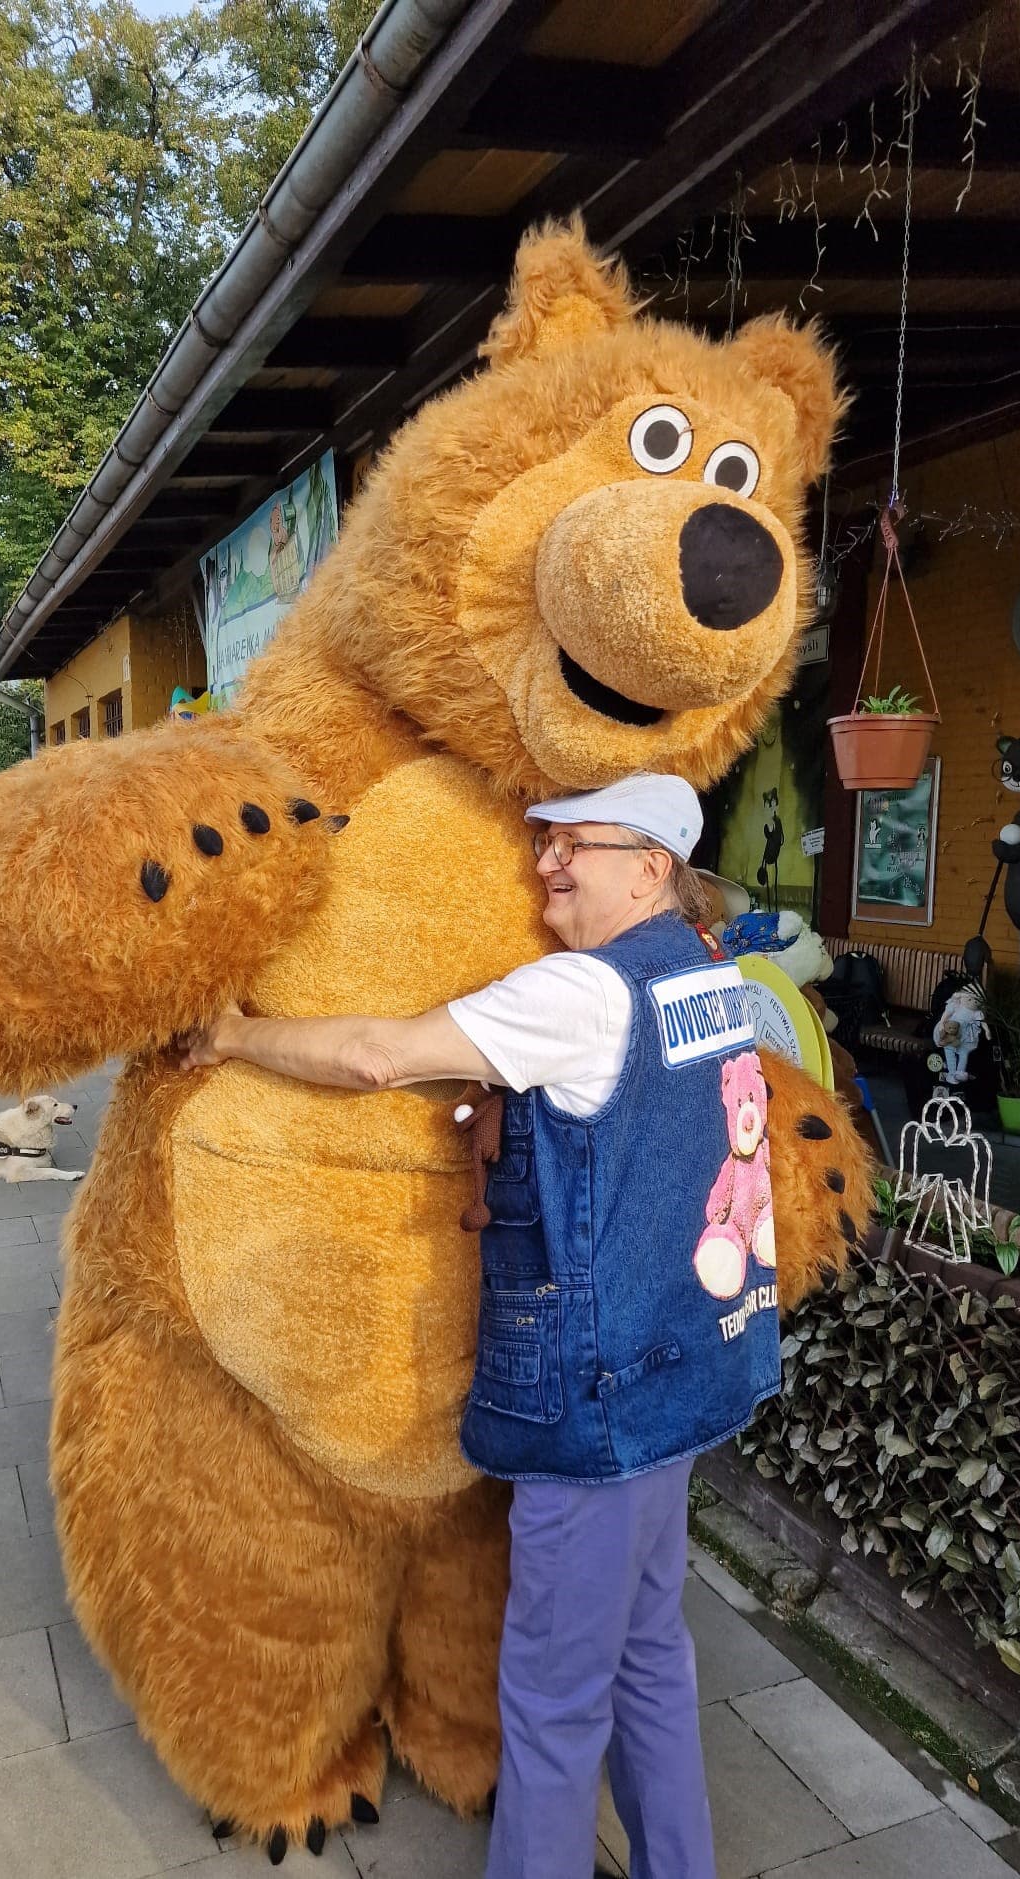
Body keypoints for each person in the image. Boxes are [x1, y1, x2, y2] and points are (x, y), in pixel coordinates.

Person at [180, 772, 782, 1879]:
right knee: (650, 1657)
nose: (546, 861)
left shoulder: (582, 995)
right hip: (687, 1372)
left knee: (552, 1703)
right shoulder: (711, 976)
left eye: (574, 844)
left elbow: (376, 1054)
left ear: (651, 866)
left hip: (599, 1402)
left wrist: (232, 1037)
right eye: (544, 839)